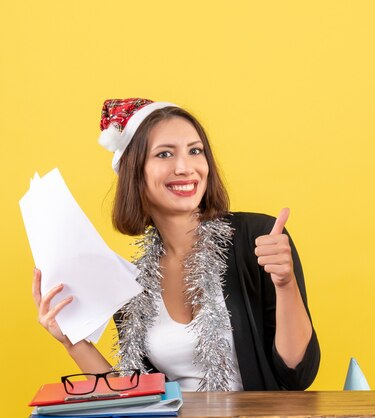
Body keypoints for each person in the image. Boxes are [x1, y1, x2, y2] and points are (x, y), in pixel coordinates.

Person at [32, 98, 320, 391]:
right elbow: (135, 395)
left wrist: (285, 284)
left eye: (195, 151)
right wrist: (72, 341)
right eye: (164, 154)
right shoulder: (134, 284)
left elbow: (297, 375)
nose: (185, 167)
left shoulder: (257, 238)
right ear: (135, 172)